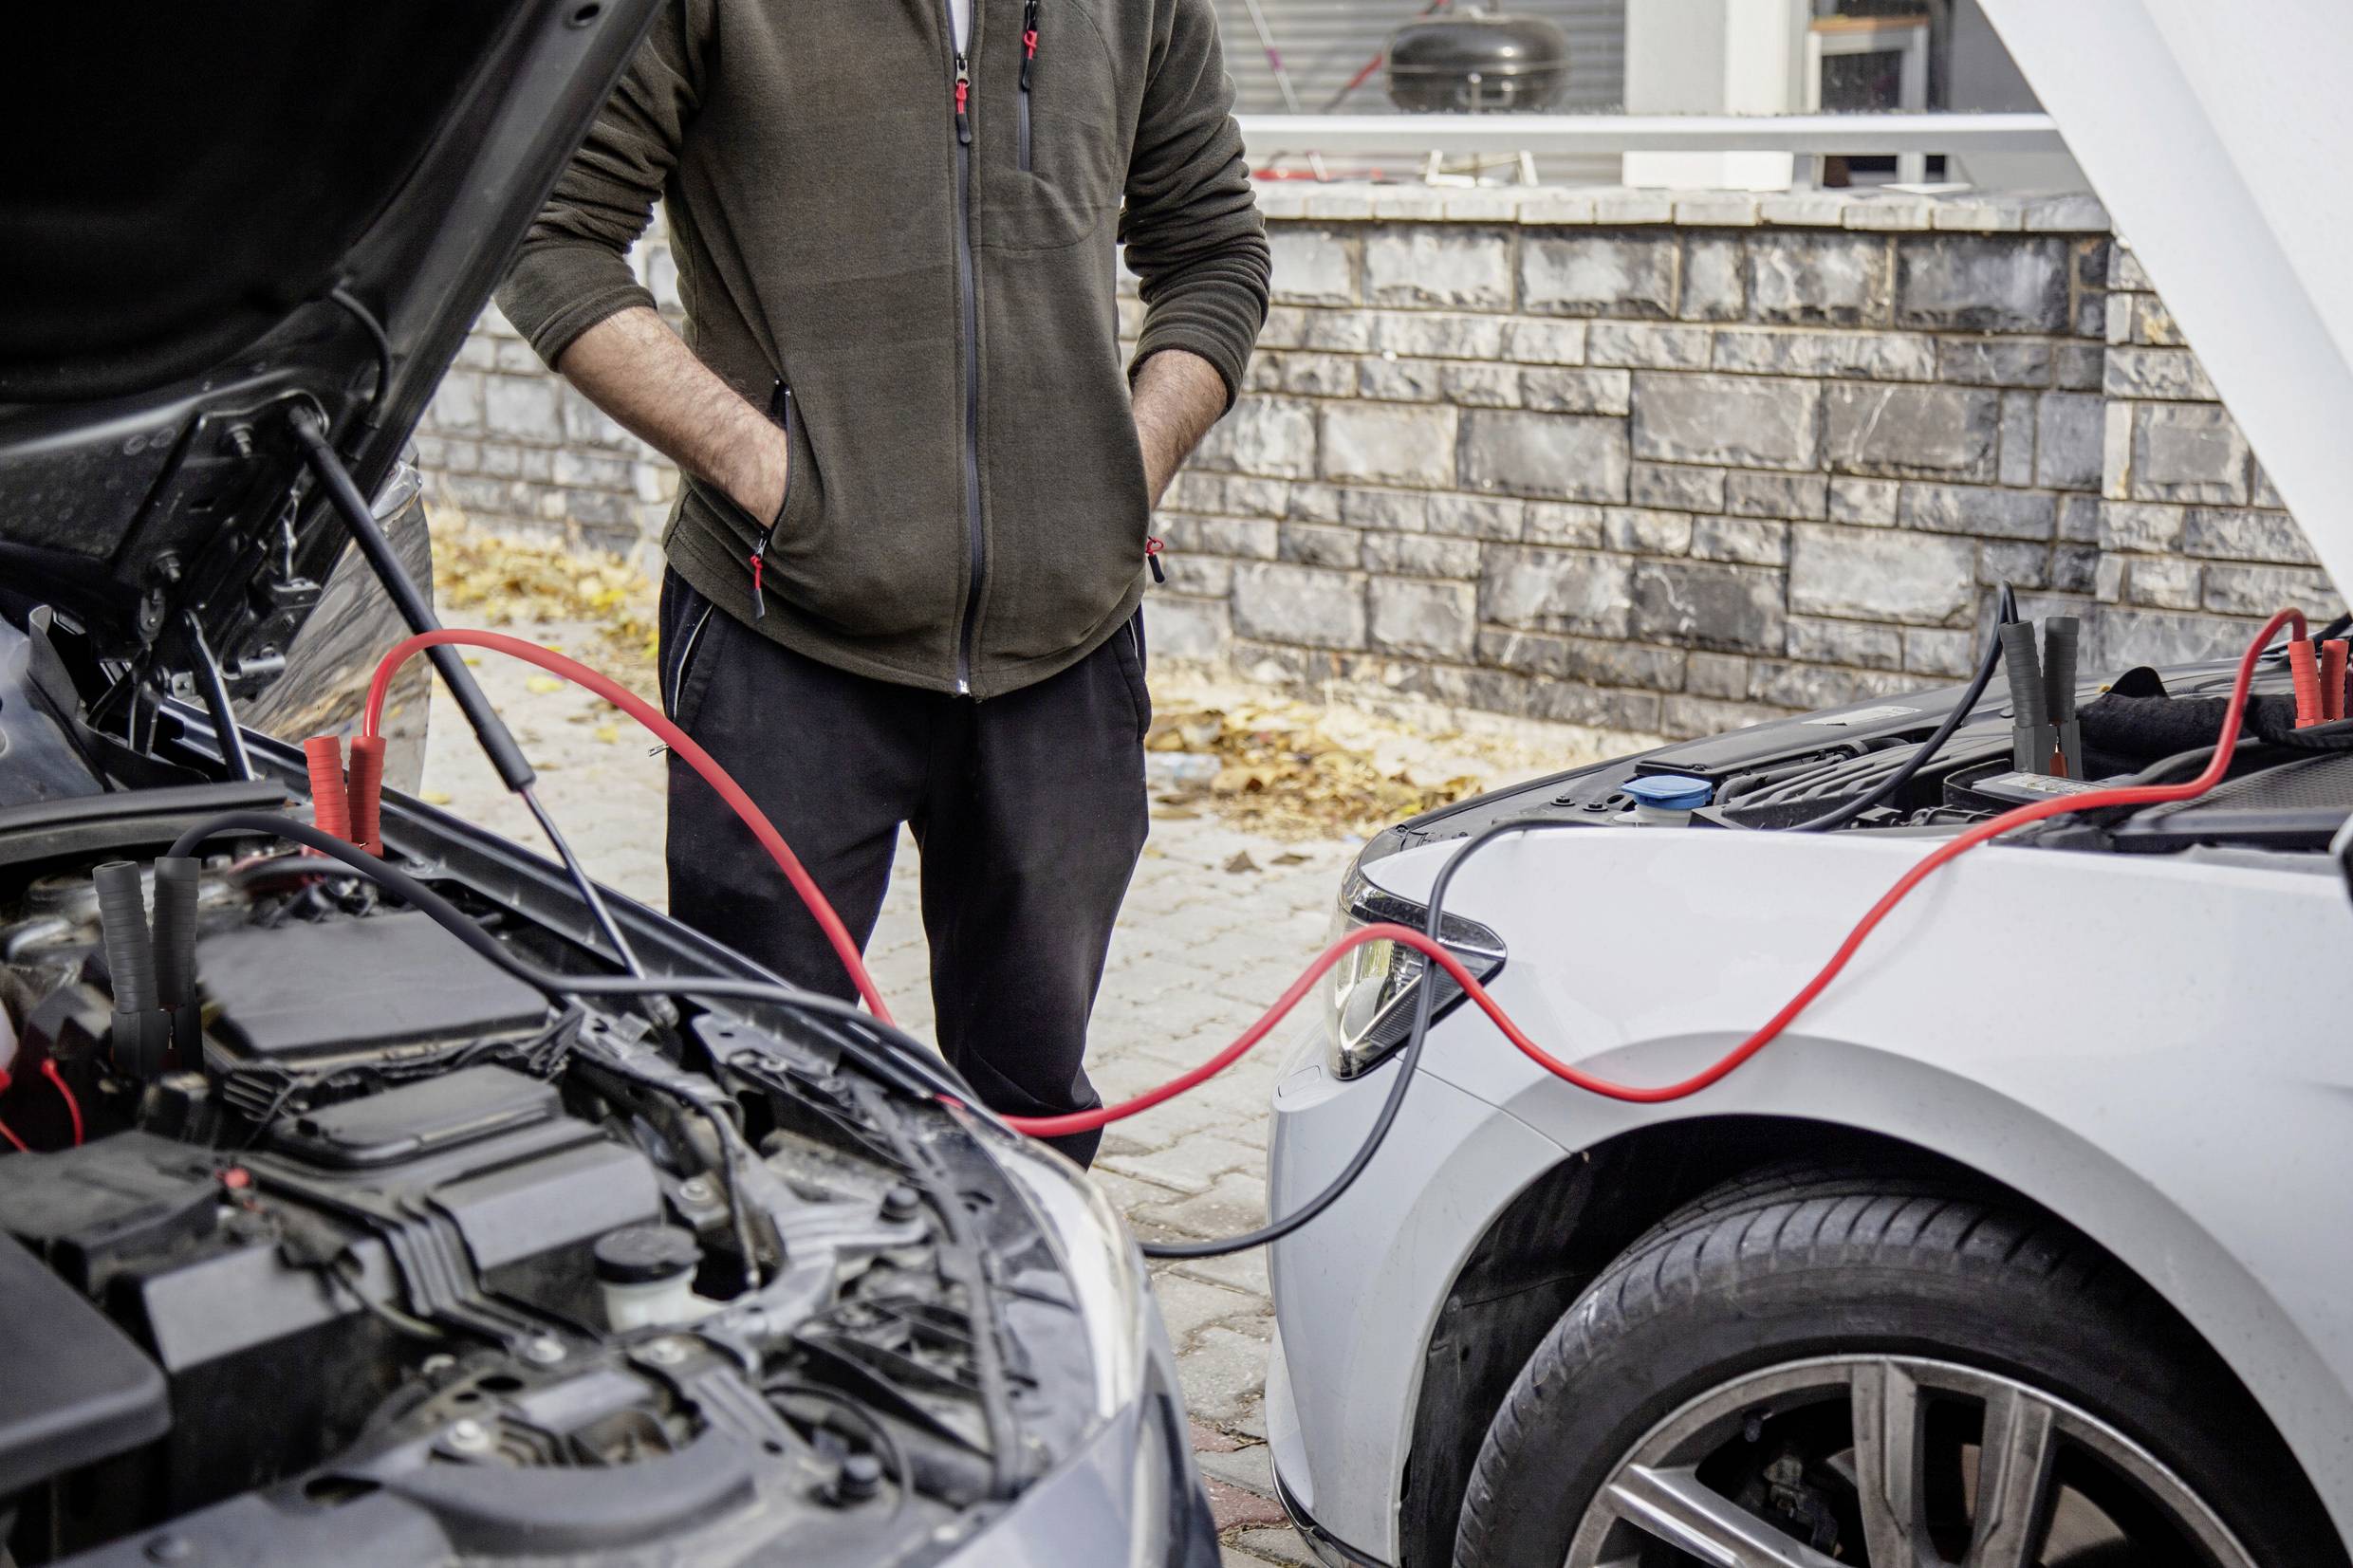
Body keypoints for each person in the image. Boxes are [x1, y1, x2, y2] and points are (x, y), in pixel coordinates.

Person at [496, 0, 1269, 1167]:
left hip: (1063, 649)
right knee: (759, 1093)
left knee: (1033, 1104)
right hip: (780, 630)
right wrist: (771, 472)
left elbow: (1212, 250)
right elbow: (545, 233)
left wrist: (1124, 471)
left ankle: (1023, 1336)